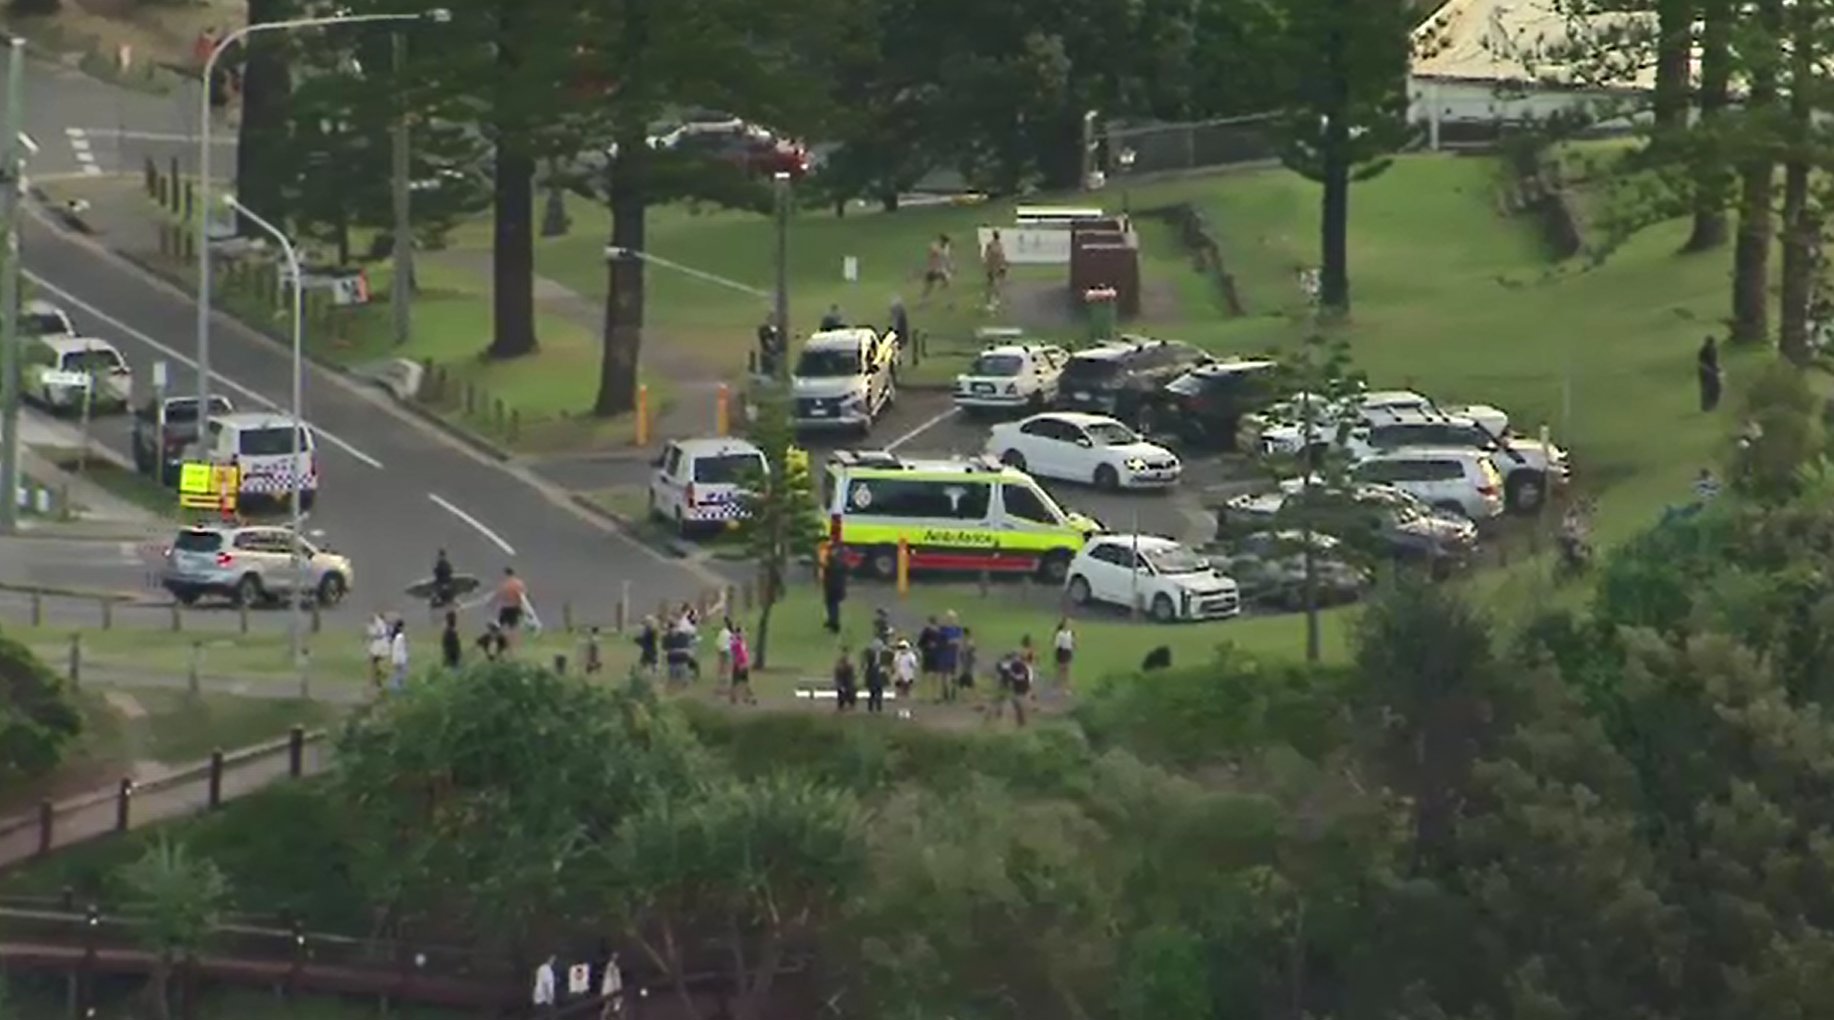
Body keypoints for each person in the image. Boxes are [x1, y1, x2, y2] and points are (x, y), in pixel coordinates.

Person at [494, 567, 527, 643]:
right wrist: (524, 608)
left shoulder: (504, 584)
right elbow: (523, 597)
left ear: (505, 574)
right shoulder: (519, 583)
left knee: (500, 625)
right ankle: (513, 642)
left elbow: (499, 596)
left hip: (505, 608)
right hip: (515, 607)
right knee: (513, 626)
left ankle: (498, 640)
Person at [936, 611, 963, 702]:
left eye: (953, 618)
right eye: (949, 618)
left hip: (953, 654)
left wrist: (954, 642)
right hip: (944, 654)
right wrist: (951, 642)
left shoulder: (958, 629)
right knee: (944, 674)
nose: (951, 620)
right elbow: (941, 641)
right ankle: (945, 693)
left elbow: (959, 641)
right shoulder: (942, 630)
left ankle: (953, 692)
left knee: (953, 674)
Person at [822, 545, 849, 633]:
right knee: (834, 605)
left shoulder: (830, 561)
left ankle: (833, 623)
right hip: (839, 586)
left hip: (831, 587)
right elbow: (846, 570)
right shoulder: (841, 561)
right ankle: (832, 621)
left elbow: (825, 570)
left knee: (832, 605)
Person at [982, 229, 1010, 312]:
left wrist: (1003, 263)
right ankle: (992, 299)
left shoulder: (998, 245)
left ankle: (994, 299)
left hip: (996, 266)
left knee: (995, 282)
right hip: (993, 266)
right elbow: (988, 254)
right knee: (993, 282)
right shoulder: (993, 245)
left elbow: (1001, 255)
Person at [728, 625, 756, 705]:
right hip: (739, 665)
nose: (744, 634)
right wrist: (739, 663)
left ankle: (746, 698)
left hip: (744, 664)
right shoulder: (736, 643)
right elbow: (735, 654)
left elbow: (745, 653)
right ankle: (734, 698)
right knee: (736, 682)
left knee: (745, 682)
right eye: (742, 632)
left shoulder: (742, 642)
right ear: (738, 633)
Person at [921, 234, 953, 301]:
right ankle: (923, 300)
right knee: (929, 286)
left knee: (930, 286)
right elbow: (934, 251)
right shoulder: (938, 248)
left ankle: (949, 302)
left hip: (937, 270)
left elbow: (944, 258)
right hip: (934, 270)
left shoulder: (944, 249)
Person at [916, 616, 942, 698]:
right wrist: (928, 645)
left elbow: (941, 644)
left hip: (934, 655)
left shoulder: (938, 632)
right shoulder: (927, 631)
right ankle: (925, 694)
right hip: (929, 654)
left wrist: (936, 646)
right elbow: (920, 643)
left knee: (932, 676)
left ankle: (932, 695)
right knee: (928, 675)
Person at [862, 634, 888, 714]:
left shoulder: (882, 655)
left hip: (878, 674)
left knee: (879, 692)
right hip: (873, 674)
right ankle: (871, 708)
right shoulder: (869, 654)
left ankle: (878, 708)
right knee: (873, 692)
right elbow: (865, 665)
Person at [365, 612, 389, 689]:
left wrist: (370, 628)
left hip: (379, 645)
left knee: (375, 661)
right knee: (375, 662)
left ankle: (378, 678)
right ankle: (378, 677)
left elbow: (374, 633)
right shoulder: (382, 624)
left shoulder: (379, 624)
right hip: (380, 644)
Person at [1698, 335, 1722, 412]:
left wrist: (1718, 368)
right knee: (1706, 389)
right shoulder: (1703, 350)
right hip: (1706, 373)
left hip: (1713, 371)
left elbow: (1715, 361)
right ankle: (1706, 406)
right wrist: (1709, 370)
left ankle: (1713, 405)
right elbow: (1702, 363)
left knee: (1716, 388)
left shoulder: (1714, 350)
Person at [1052, 617, 1075, 693]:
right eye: (1068, 623)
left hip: (1068, 652)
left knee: (1067, 671)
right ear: (1064, 624)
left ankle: (1066, 688)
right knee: (1061, 671)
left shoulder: (1070, 632)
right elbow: (1057, 644)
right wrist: (1056, 655)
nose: (1070, 624)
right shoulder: (1060, 633)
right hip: (1062, 652)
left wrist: (1074, 645)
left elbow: (1072, 642)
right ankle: (1060, 686)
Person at [833, 646, 858, 711]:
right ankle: (842, 706)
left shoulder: (848, 662)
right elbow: (838, 672)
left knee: (850, 693)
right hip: (843, 680)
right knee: (842, 694)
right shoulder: (841, 662)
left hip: (848, 681)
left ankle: (849, 705)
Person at [387, 619, 410, 692]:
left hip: (395, 658)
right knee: (402, 674)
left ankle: (396, 687)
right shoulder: (400, 636)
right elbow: (404, 647)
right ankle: (395, 688)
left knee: (397, 673)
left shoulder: (393, 636)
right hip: (401, 658)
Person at [715, 616, 736, 682]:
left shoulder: (722, 632)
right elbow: (733, 642)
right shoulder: (730, 633)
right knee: (728, 663)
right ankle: (727, 677)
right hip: (727, 649)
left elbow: (718, 641)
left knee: (721, 663)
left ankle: (721, 677)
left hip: (721, 649)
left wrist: (718, 648)